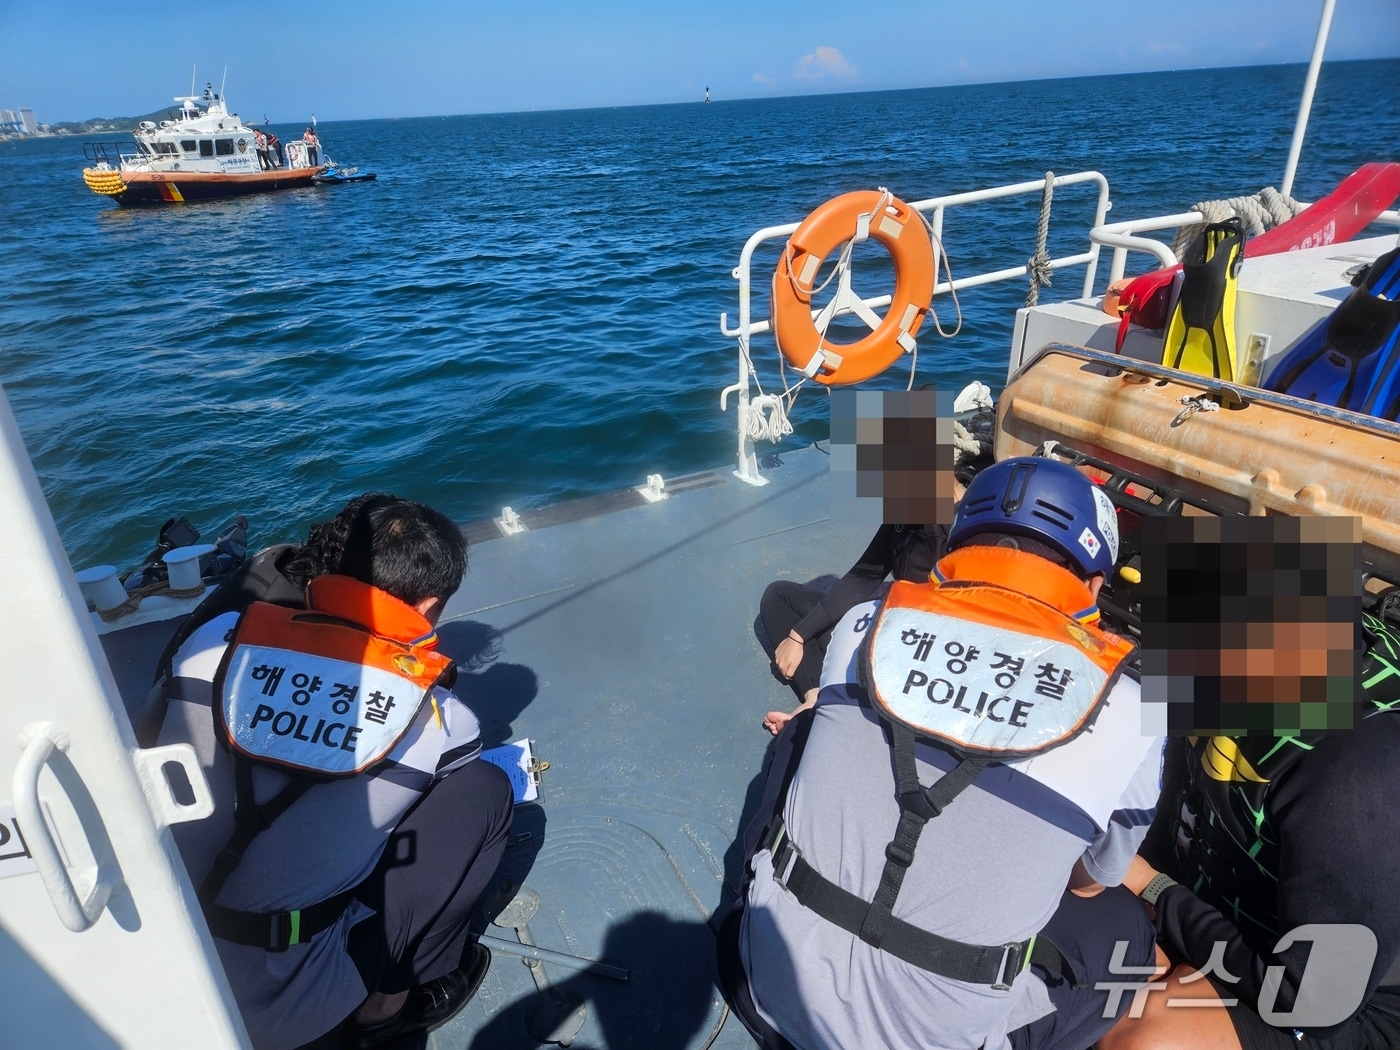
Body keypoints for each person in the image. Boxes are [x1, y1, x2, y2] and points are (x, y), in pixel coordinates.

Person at [723, 456, 1165, 1050]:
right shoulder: (1138, 709)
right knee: (1125, 927)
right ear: (1091, 585)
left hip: (764, 985)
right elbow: (1090, 882)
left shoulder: (862, 625)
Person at [154, 493, 514, 1050]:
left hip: (161, 956)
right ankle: (386, 1005)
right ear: (428, 607)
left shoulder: (211, 641)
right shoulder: (444, 723)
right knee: (483, 793)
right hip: (291, 1010)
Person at [1099, 610, 1400, 1049]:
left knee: (1141, 1032)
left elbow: (1316, 999)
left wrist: (1154, 889)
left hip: (1342, 995)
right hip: (1223, 907)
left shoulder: (1360, 768)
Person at [759, 522, 949, 734]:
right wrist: (798, 635)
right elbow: (863, 577)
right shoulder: (910, 511)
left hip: (926, 664)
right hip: (891, 632)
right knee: (780, 596)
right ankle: (816, 697)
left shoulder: (971, 526)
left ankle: (845, 706)